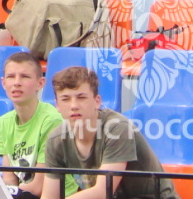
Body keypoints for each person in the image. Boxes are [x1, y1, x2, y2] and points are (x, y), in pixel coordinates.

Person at [38, 65, 176, 199]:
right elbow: (50, 196)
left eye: (81, 97)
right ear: (57, 105)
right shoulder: (55, 139)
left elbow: (102, 193)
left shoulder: (118, 129)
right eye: (65, 99)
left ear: (97, 101)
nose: (74, 105)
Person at [0, 51, 62, 193]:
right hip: (20, 192)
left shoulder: (52, 121)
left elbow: (38, 187)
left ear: (40, 83)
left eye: (24, 77)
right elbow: (9, 178)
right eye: (11, 77)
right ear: (3, 83)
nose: (17, 83)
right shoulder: (4, 122)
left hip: (46, 194)